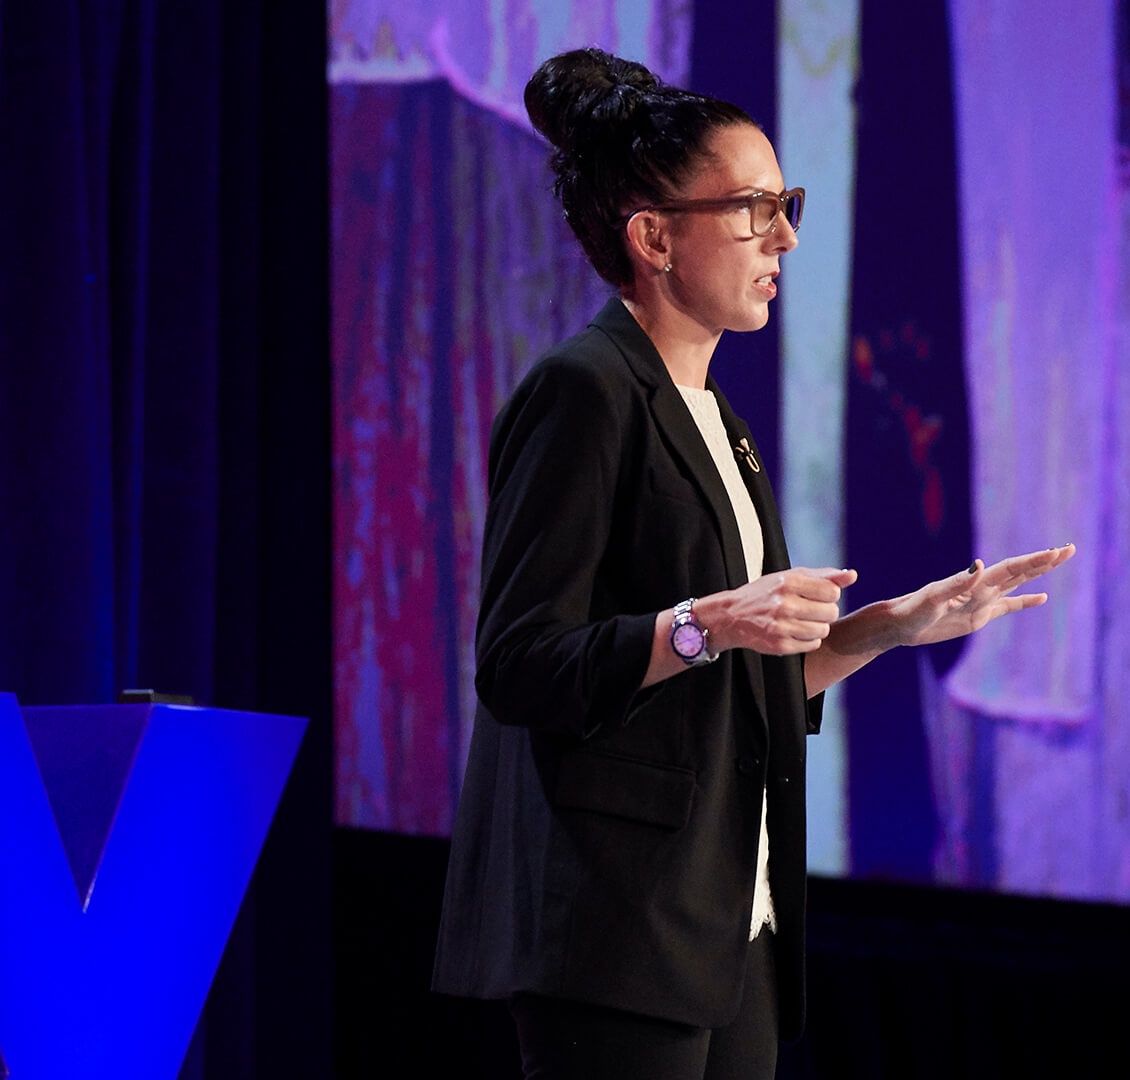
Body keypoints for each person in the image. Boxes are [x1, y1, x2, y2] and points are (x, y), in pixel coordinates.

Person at [430, 48, 1074, 1080]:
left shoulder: (718, 419)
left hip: (728, 921)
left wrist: (894, 626)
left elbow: (746, 683)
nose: (784, 236)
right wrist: (705, 622)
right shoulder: (584, 393)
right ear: (654, 237)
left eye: (789, 204)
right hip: (613, 927)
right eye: (752, 208)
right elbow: (519, 665)